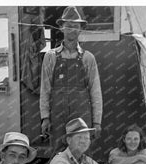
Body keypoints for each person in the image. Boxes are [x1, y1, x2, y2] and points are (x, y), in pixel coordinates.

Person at [40, 6, 102, 155]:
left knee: (82, 151)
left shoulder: (88, 58)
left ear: (81, 29)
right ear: (61, 27)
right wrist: (45, 117)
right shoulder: (51, 56)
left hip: (81, 113)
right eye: (68, 25)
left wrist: (97, 121)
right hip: (58, 114)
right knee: (58, 152)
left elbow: (95, 91)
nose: (72, 29)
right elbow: (45, 89)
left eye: (75, 26)